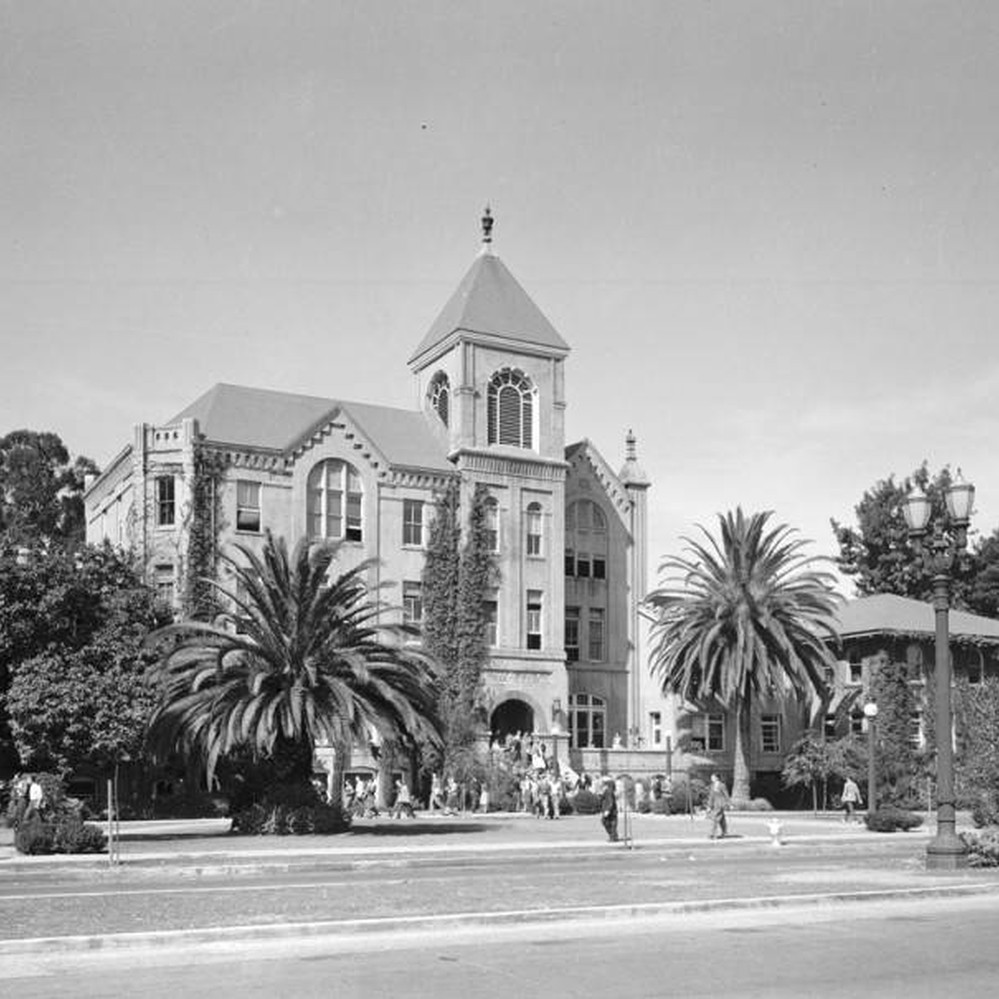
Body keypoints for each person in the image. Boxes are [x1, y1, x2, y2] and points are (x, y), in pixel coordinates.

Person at [707, 773, 730, 840]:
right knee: (721, 819)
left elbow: (726, 795)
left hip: (720, 804)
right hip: (714, 804)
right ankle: (724, 831)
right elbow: (711, 797)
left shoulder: (722, 785)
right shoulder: (712, 786)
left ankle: (713, 834)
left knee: (715, 819)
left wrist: (729, 803)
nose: (711, 778)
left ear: (717, 778)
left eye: (713, 777)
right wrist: (709, 806)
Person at [600, 777, 619, 842]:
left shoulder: (609, 791)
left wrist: (608, 810)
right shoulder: (607, 790)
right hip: (610, 810)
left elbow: (610, 801)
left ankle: (613, 836)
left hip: (610, 811)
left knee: (608, 823)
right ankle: (613, 836)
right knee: (608, 823)